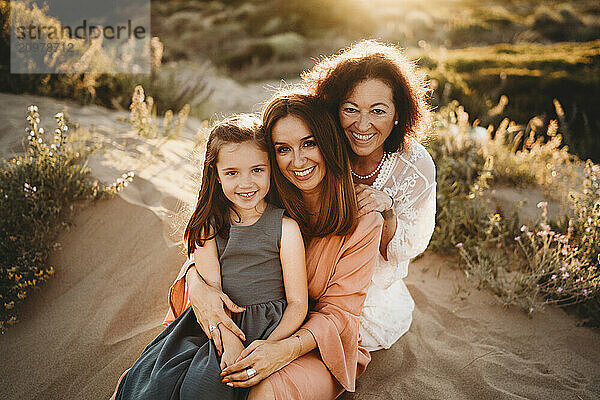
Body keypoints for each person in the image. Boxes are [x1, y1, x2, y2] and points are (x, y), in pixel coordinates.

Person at [172, 93, 384, 399]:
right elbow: (216, 252)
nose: (297, 161)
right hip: (240, 332)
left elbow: (337, 314)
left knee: (263, 392)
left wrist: (279, 349)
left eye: (310, 143)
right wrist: (198, 285)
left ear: (328, 143)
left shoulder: (364, 220)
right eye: (283, 149)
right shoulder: (263, 193)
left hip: (315, 343)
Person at [110, 114, 308, 400]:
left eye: (257, 170)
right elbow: (212, 296)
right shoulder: (209, 226)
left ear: (270, 170)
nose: (246, 183)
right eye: (232, 173)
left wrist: (267, 346)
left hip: (268, 329)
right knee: (164, 384)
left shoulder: (285, 228)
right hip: (215, 328)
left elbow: (298, 304)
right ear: (215, 174)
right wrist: (229, 343)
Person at [302, 39, 437, 351]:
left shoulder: (414, 167)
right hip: (303, 272)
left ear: (398, 114)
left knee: (347, 333)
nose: (362, 125)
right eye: (350, 109)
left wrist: (386, 209)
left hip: (367, 288)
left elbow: (407, 246)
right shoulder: (315, 145)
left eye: (378, 111)